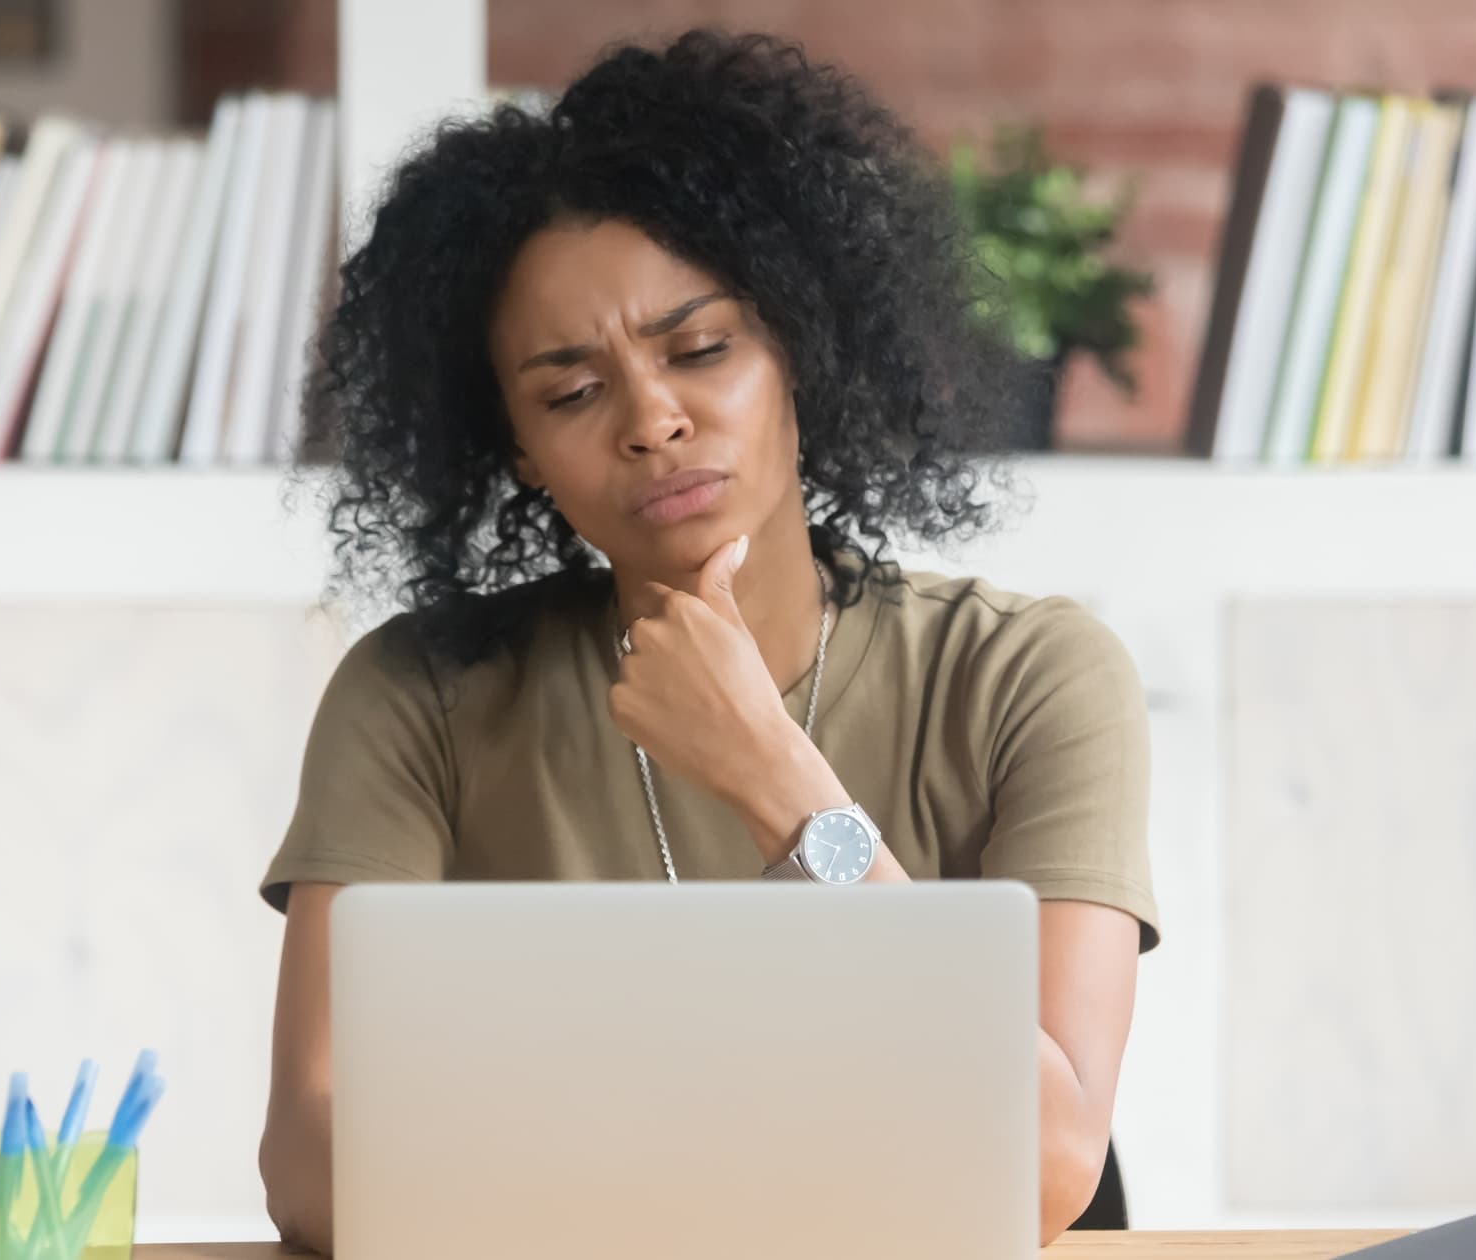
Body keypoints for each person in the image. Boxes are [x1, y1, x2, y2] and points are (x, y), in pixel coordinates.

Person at [255, 28, 1159, 1254]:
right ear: (516, 451)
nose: (652, 421)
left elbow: (1051, 1164)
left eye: (700, 349)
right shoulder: (421, 699)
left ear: (797, 344)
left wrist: (774, 779)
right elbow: (311, 1165)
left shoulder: (1026, 678)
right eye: (571, 393)